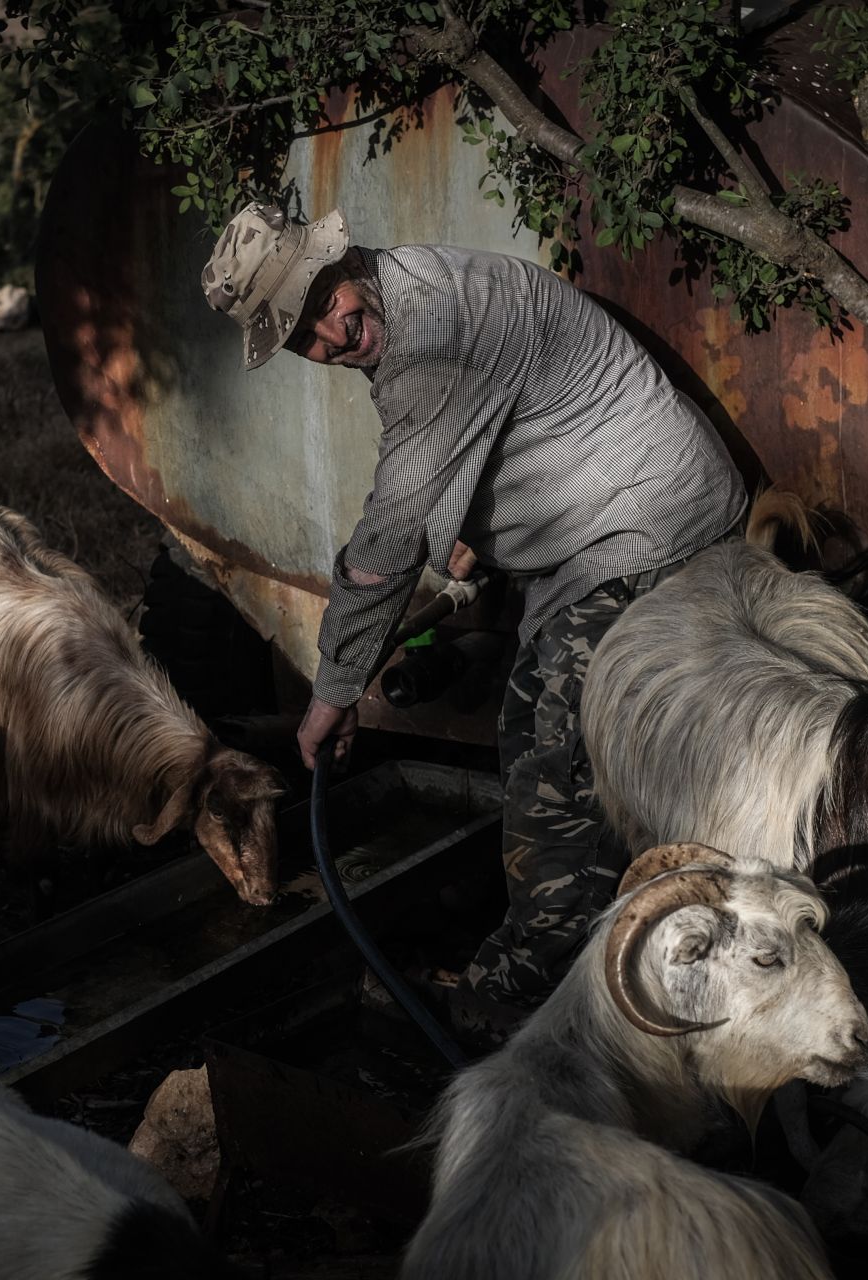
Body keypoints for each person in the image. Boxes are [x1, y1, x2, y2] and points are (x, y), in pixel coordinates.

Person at [200, 201, 746, 1031]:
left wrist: (335, 685)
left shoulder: (434, 328)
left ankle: (533, 987)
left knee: (553, 733)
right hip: (606, 525)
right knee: (528, 707)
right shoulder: (410, 290)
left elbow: (388, 539)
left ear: (344, 263)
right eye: (303, 337)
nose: (331, 337)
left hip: (653, 522)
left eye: (324, 304)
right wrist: (478, 533)